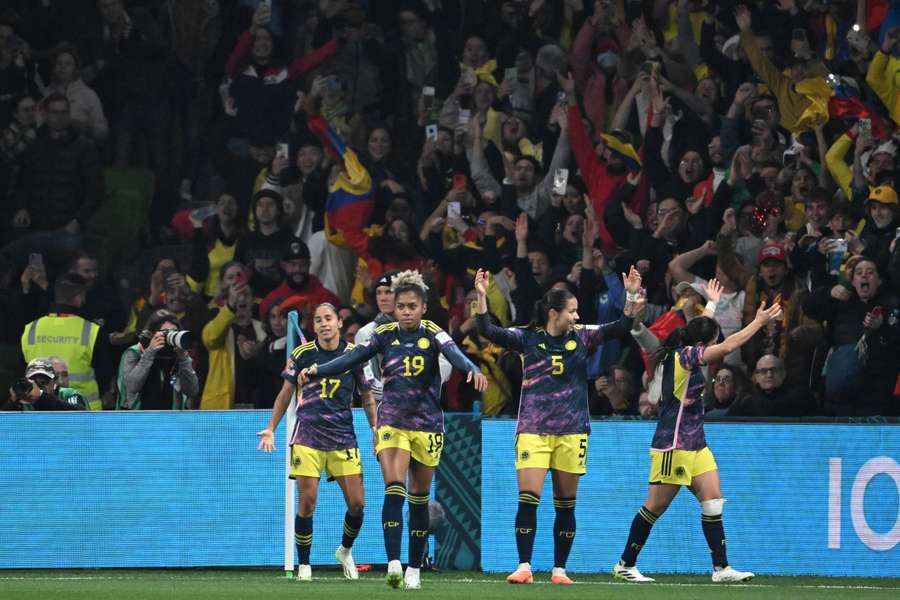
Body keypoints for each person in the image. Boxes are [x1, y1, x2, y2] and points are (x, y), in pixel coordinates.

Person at [299, 270, 487, 590]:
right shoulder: (384, 335)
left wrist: (471, 368)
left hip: (427, 424)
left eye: (413, 306)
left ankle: (414, 567)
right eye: (401, 306)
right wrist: (318, 369)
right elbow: (353, 357)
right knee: (394, 487)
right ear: (395, 309)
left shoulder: (434, 333)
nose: (407, 312)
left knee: (418, 498)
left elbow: (454, 352)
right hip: (392, 422)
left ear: (423, 307)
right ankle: (395, 562)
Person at [473, 266, 644, 585]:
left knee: (566, 503)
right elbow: (488, 330)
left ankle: (559, 570)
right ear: (554, 313)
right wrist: (481, 298)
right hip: (533, 431)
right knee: (529, 497)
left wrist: (631, 294)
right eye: (573, 311)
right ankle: (524, 566)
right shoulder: (526, 338)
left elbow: (622, 326)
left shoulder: (583, 336)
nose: (577, 317)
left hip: (572, 431)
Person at [612, 298, 783, 584]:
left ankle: (721, 569)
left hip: (696, 444)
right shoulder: (685, 356)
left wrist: (712, 306)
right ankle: (625, 564)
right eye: (713, 340)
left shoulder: (685, 351)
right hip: (674, 444)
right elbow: (727, 347)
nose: (718, 344)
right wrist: (758, 322)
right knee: (654, 507)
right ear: (705, 343)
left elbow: (702, 334)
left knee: (713, 501)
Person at [257, 303, 377, 582]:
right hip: (308, 437)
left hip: (343, 438)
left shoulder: (355, 355)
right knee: (307, 502)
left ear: (339, 323)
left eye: (329, 318)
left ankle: (345, 550)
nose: (324, 324)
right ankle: (304, 565)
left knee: (357, 505)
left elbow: (368, 396)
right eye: (319, 320)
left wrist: (376, 430)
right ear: (314, 327)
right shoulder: (301, 354)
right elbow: (285, 394)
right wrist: (271, 428)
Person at [20, 274, 109, 410]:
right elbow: (104, 376)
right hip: (83, 412)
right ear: (79, 297)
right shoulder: (91, 331)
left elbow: (23, 370)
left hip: (39, 411)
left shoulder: (31, 328)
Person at [116, 310, 199, 410]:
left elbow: (192, 391)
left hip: (169, 421)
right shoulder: (135, 353)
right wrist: (150, 352)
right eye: (166, 332)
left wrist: (184, 358)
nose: (170, 336)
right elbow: (131, 387)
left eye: (175, 333)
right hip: (137, 421)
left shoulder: (178, 356)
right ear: (152, 335)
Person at [0, 358, 85, 411]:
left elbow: (80, 415)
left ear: (54, 381)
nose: (39, 387)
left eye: (44, 382)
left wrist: (42, 396)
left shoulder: (68, 394)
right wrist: (12, 402)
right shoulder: (23, 400)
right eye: (35, 383)